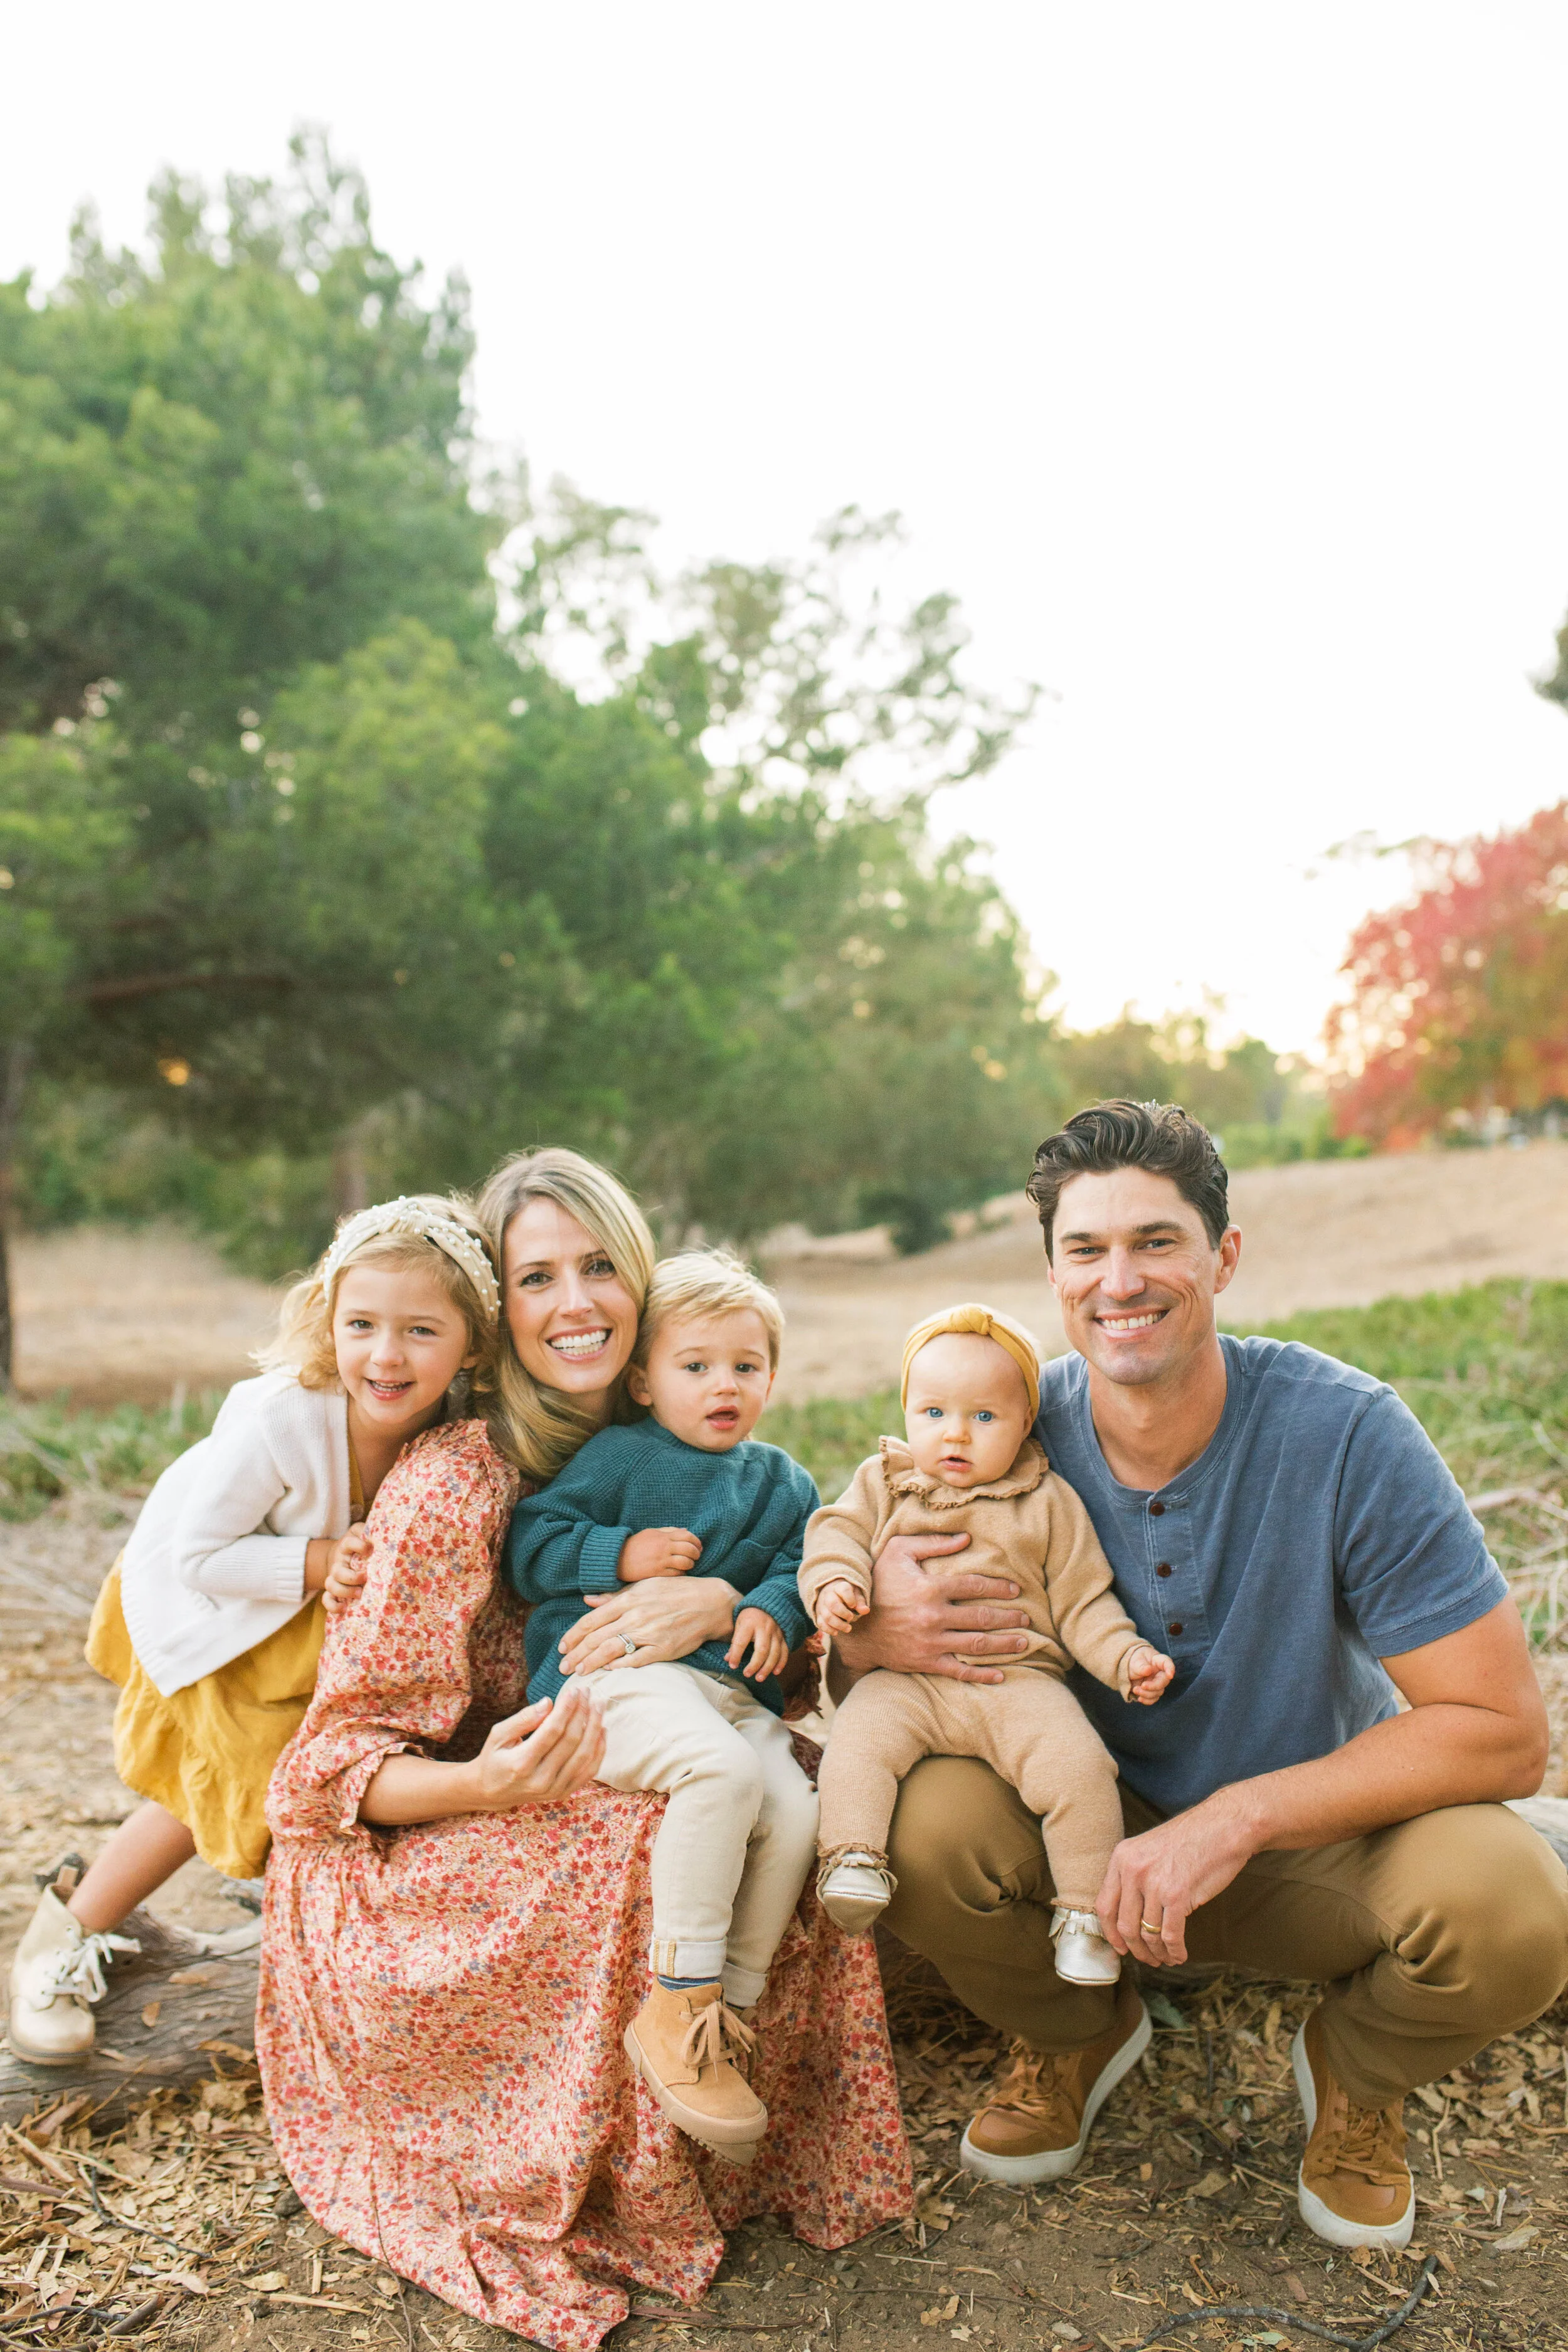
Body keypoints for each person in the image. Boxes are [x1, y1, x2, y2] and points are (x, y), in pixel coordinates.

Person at [832, 1100, 1568, 2251]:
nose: (1118, 1280)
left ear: (1223, 1256)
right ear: (1053, 1275)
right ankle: (1075, 2022)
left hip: (1310, 1834)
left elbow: (1504, 1733)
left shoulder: (1349, 1434)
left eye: (1155, 1242)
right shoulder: (990, 1432)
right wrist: (871, 1636)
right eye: (1086, 1250)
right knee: (921, 1829)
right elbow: (843, 1631)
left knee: (1512, 1911)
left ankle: (1356, 2072)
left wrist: (1242, 1815)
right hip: (1080, 1836)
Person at [258, 1150, 909, 2351]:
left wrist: (723, 1605)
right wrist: (484, 1781)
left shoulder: (683, 1417)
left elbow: (785, 1657)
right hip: (433, 1820)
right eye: (536, 1277)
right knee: (647, 1832)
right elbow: (318, 1781)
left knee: (787, 1794)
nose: (575, 1303)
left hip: (630, 1741)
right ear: (496, 1313)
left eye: (601, 1265)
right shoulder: (461, 1478)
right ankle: (649, 2123)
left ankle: (725, 2052)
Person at [6, 1192, 499, 2065]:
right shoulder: (281, 1415)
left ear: (472, 1342)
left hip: (314, 1629)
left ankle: (306, 1937)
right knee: (216, 1792)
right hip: (225, 1612)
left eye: (421, 1330)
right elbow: (201, 1552)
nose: (386, 1354)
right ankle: (62, 1932)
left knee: (319, 1783)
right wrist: (317, 1560)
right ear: (329, 1318)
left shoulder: (459, 1431)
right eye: (362, 1324)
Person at [507, 1249, 820, 2160]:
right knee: (718, 1776)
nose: (725, 1384)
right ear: (642, 1379)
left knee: (796, 1809)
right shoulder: (619, 1457)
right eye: (696, 1366)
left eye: (746, 1366)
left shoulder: (782, 1479)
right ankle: (676, 2000)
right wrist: (618, 1552)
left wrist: (770, 1604)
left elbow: (804, 1563)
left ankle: (727, 2011)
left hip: (729, 1690)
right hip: (616, 1679)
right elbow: (532, 1541)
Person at [800, 1302, 1171, 1986]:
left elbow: (1084, 1601)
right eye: (934, 1413)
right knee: (857, 1741)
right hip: (904, 1682)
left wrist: (1125, 1658)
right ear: (906, 1410)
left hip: (1018, 1685)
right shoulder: (884, 1483)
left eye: (984, 1417)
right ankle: (852, 1860)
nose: (956, 1436)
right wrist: (836, 1585)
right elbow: (834, 1536)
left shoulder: (1048, 1502)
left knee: (1081, 1771)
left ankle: (1087, 1918)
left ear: (1025, 1422)